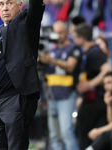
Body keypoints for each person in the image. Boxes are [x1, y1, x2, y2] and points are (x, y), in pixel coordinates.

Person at [0, 0, 45, 149]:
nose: (5, 8)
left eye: (9, 3)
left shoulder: (27, 23)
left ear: (20, 5)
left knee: (16, 146)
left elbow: (36, 6)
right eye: (1, 4)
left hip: (16, 98)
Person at [40, 20, 81, 150]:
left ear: (67, 32)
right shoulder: (51, 50)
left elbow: (70, 67)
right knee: (54, 135)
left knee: (66, 132)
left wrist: (51, 60)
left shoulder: (73, 48)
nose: (59, 35)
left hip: (66, 96)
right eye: (56, 33)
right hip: (52, 96)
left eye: (61, 32)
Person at [72, 23, 112, 150]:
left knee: (85, 133)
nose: (73, 39)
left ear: (82, 38)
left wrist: (90, 84)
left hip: (97, 100)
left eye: (75, 36)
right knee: (82, 132)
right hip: (90, 99)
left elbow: (108, 69)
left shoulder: (94, 52)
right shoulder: (87, 52)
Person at [88, 70, 112, 141]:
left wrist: (99, 131)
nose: (106, 87)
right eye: (104, 84)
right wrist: (109, 105)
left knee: (106, 136)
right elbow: (111, 122)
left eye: (109, 83)